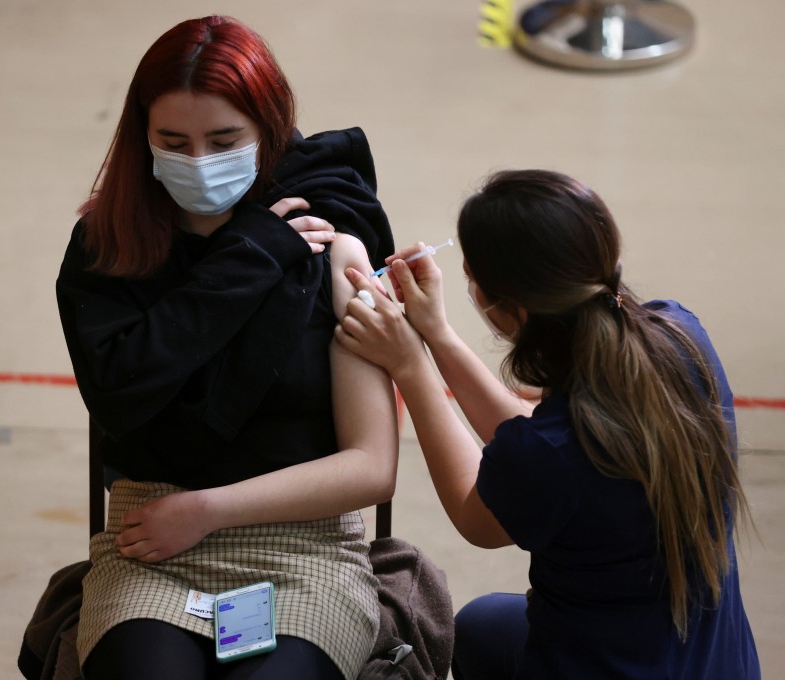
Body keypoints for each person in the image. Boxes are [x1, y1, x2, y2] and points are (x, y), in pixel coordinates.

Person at [55, 15, 399, 680]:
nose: (200, 162)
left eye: (224, 140)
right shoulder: (108, 246)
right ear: (142, 138)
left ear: (268, 132)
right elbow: (119, 389)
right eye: (173, 142)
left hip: (303, 552)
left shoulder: (332, 242)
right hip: (151, 545)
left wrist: (208, 508)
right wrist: (247, 258)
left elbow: (371, 465)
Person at [335, 169, 760, 679]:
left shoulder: (551, 452)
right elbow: (547, 454)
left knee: (478, 628)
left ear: (511, 311)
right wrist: (437, 334)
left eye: (473, 277)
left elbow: (479, 515)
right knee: (485, 626)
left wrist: (410, 366)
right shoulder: (679, 335)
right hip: (715, 663)